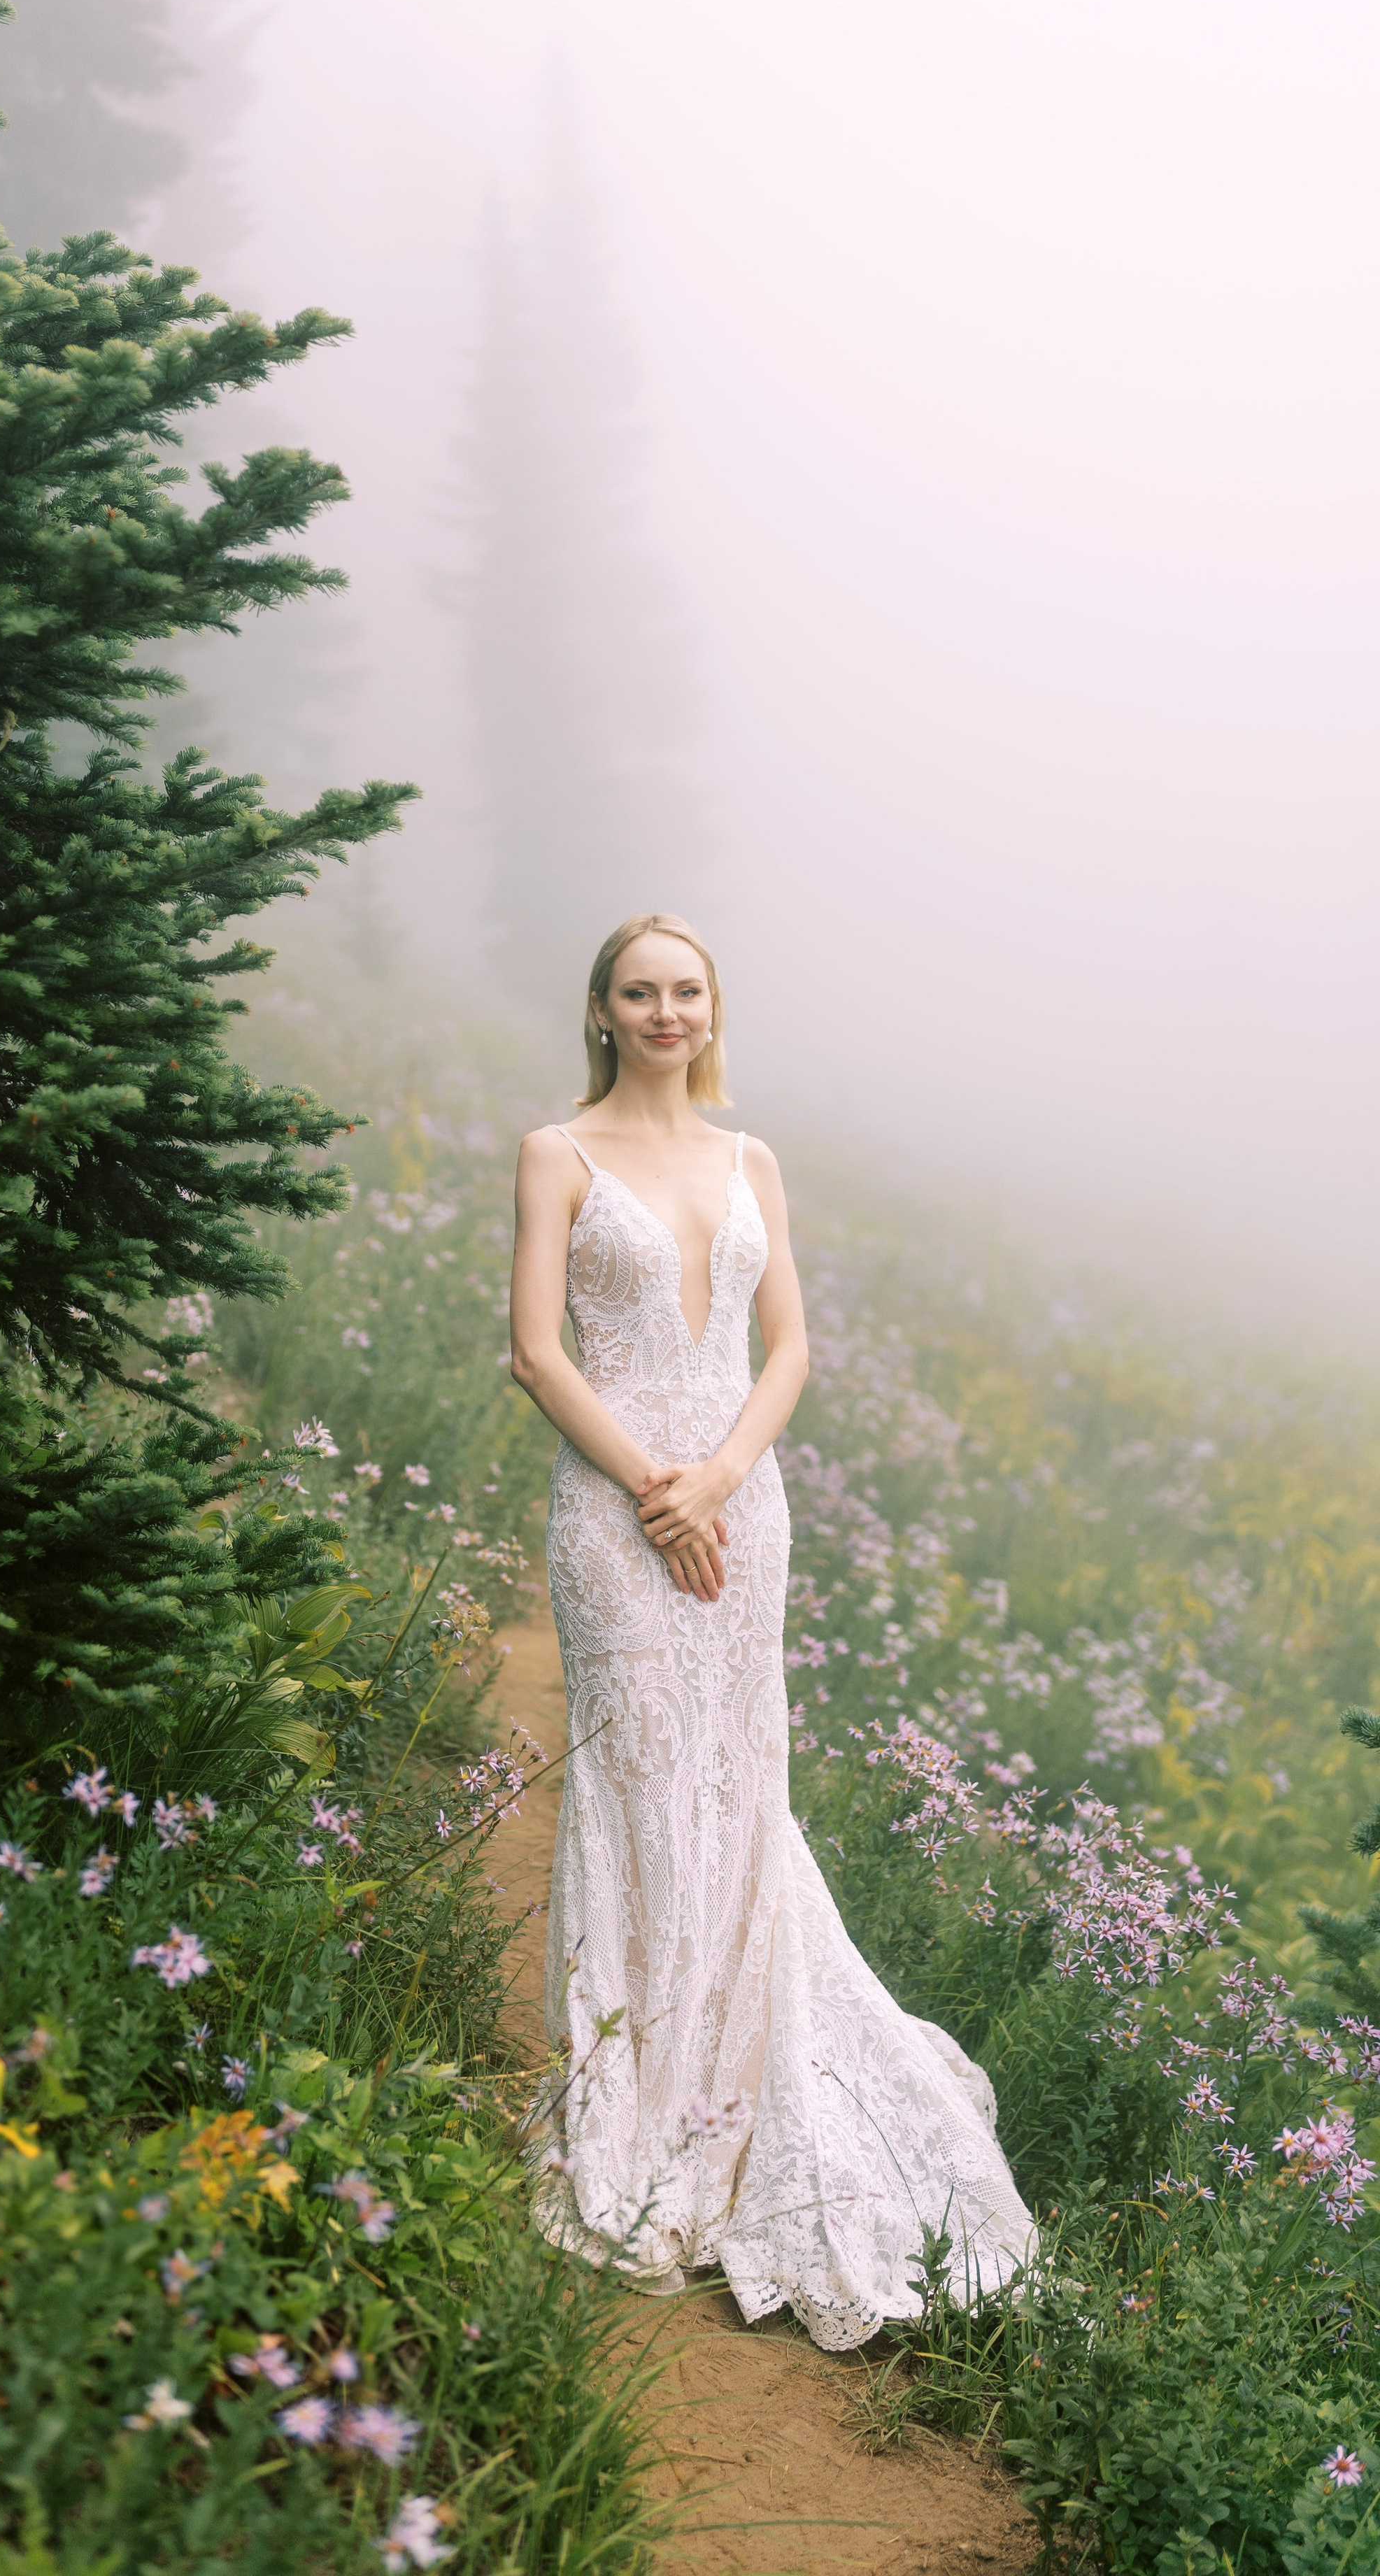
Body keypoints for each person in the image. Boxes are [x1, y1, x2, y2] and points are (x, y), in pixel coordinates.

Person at [508, 912, 1035, 2346]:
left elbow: (788, 1344)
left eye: (684, 990)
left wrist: (721, 1480)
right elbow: (536, 1351)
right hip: (614, 1513)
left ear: (709, 1006)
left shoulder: (752, 1162)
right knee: (634, 1780)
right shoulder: (556, 1152)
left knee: (737, 1785)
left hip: (740, 1510)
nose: (663, 1011)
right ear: (602, 1008)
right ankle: (627, 2104)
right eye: (637, 990)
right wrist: (650, 1492)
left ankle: (738, 2088)